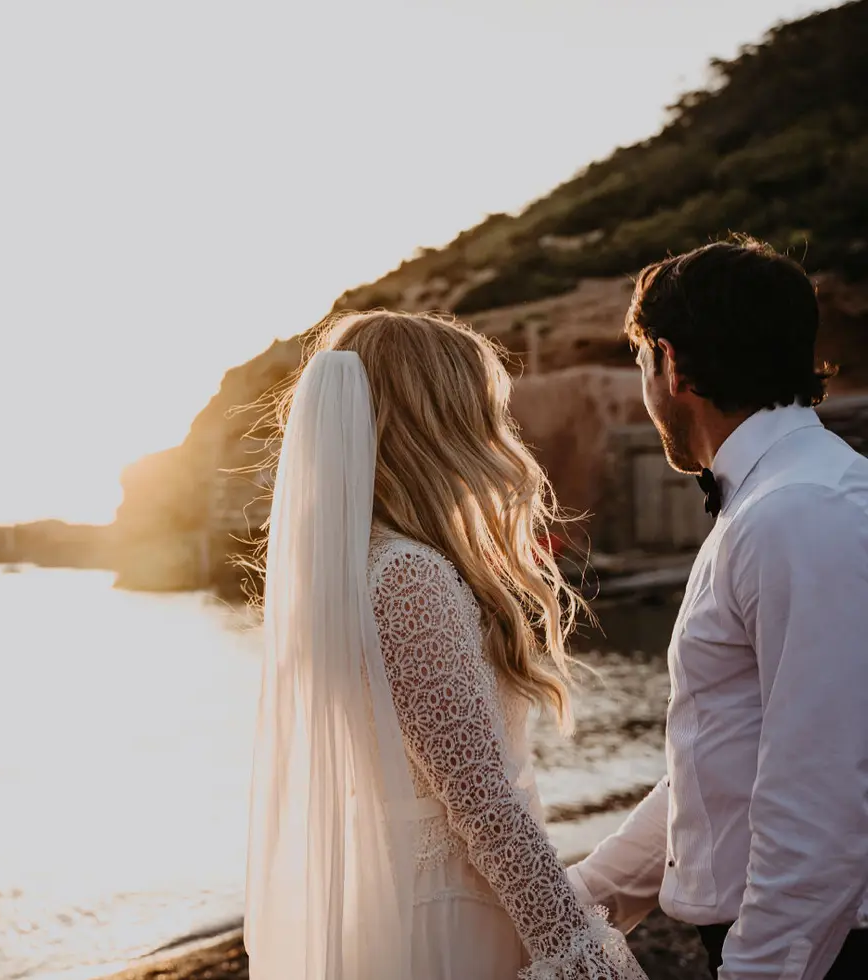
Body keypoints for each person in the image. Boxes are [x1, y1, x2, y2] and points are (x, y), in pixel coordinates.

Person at [245, 310, 645, 979]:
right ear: (439, 424)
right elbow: (481, 800)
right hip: (449, 924)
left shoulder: (353, 568)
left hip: (406, 907)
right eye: (484, 410)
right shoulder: (406, 575)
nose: (498, 431)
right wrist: (582, 956)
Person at [566, 239, 868, 980]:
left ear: (669, 364)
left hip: (818, 951)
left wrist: (759, 970)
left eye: (639, 365)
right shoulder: (776, 500)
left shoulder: (799, 512)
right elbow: (718, 758)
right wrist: (581, 900)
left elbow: (824, 795)